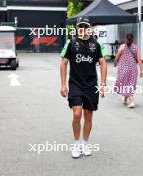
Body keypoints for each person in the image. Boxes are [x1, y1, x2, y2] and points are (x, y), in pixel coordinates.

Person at [60, 17, 107, 159]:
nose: (83, 29)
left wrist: (103, 84)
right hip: (75, 84)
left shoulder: (97, 44)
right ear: (77, 28)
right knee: (76, 114)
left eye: (86, 26)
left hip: (91, 85)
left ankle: (84, 144)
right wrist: (63, 85)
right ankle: (76, 144)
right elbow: (63, 63)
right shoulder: (71, 43)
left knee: (88, 115)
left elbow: (103, 63)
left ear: (90, 28)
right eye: (81, 26)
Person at [113, 33, 143, 108]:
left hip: (123, 69)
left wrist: (115, 63)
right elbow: (139, 60)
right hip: (133, 69)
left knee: (124, 84)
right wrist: (141, 70)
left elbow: (117, 56)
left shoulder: (122, 46)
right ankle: (125, 99)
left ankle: (131, 101)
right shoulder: (136, 48)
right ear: (133, 39)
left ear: (126, 38)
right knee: (129, 85)